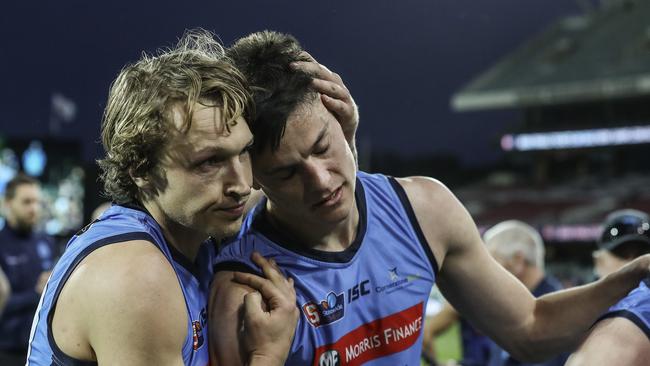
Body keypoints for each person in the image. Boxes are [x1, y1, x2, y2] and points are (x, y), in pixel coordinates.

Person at [209, 30, 650, 366]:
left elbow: (531, 329)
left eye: (323, 147)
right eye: (287, 173)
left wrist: (633, 275)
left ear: (341, 116)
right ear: (254, 178)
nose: (322, 182)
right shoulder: (242, 291)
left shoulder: (423, 209)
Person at [26, 30, 299, 366]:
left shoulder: (191, 222)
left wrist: (344, 137)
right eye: (209, 162)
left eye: (244, 151)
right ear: (141, 169)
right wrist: (266, 354)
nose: (242, 184)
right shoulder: (136, 277)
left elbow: (299, 192)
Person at [566, 209, 650, 366]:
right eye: (622, 253)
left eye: (641, 253)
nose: (635, 263)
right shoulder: (574, 310)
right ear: (598, 259)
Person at [0, 174, 56, 365]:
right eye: (26, 202)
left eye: (37, 202)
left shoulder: (46, 242)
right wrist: (36, 293)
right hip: (7, 353)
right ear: (7, 203)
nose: (34, 209)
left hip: (42, 352)